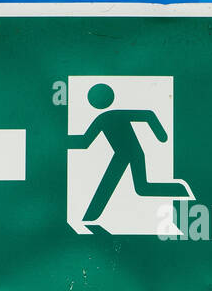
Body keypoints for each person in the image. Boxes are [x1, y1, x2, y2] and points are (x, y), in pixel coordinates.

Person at [67, 83, 192, 228]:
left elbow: (147, 115)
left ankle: (89, 217)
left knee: (138, 188)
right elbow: (85, 141)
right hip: (124, 155)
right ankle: (180, 190)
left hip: (132, 154)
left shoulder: (108, 117)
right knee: (141, 188)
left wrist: (161, 135)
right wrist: (62, 141)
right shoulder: (104, 118)